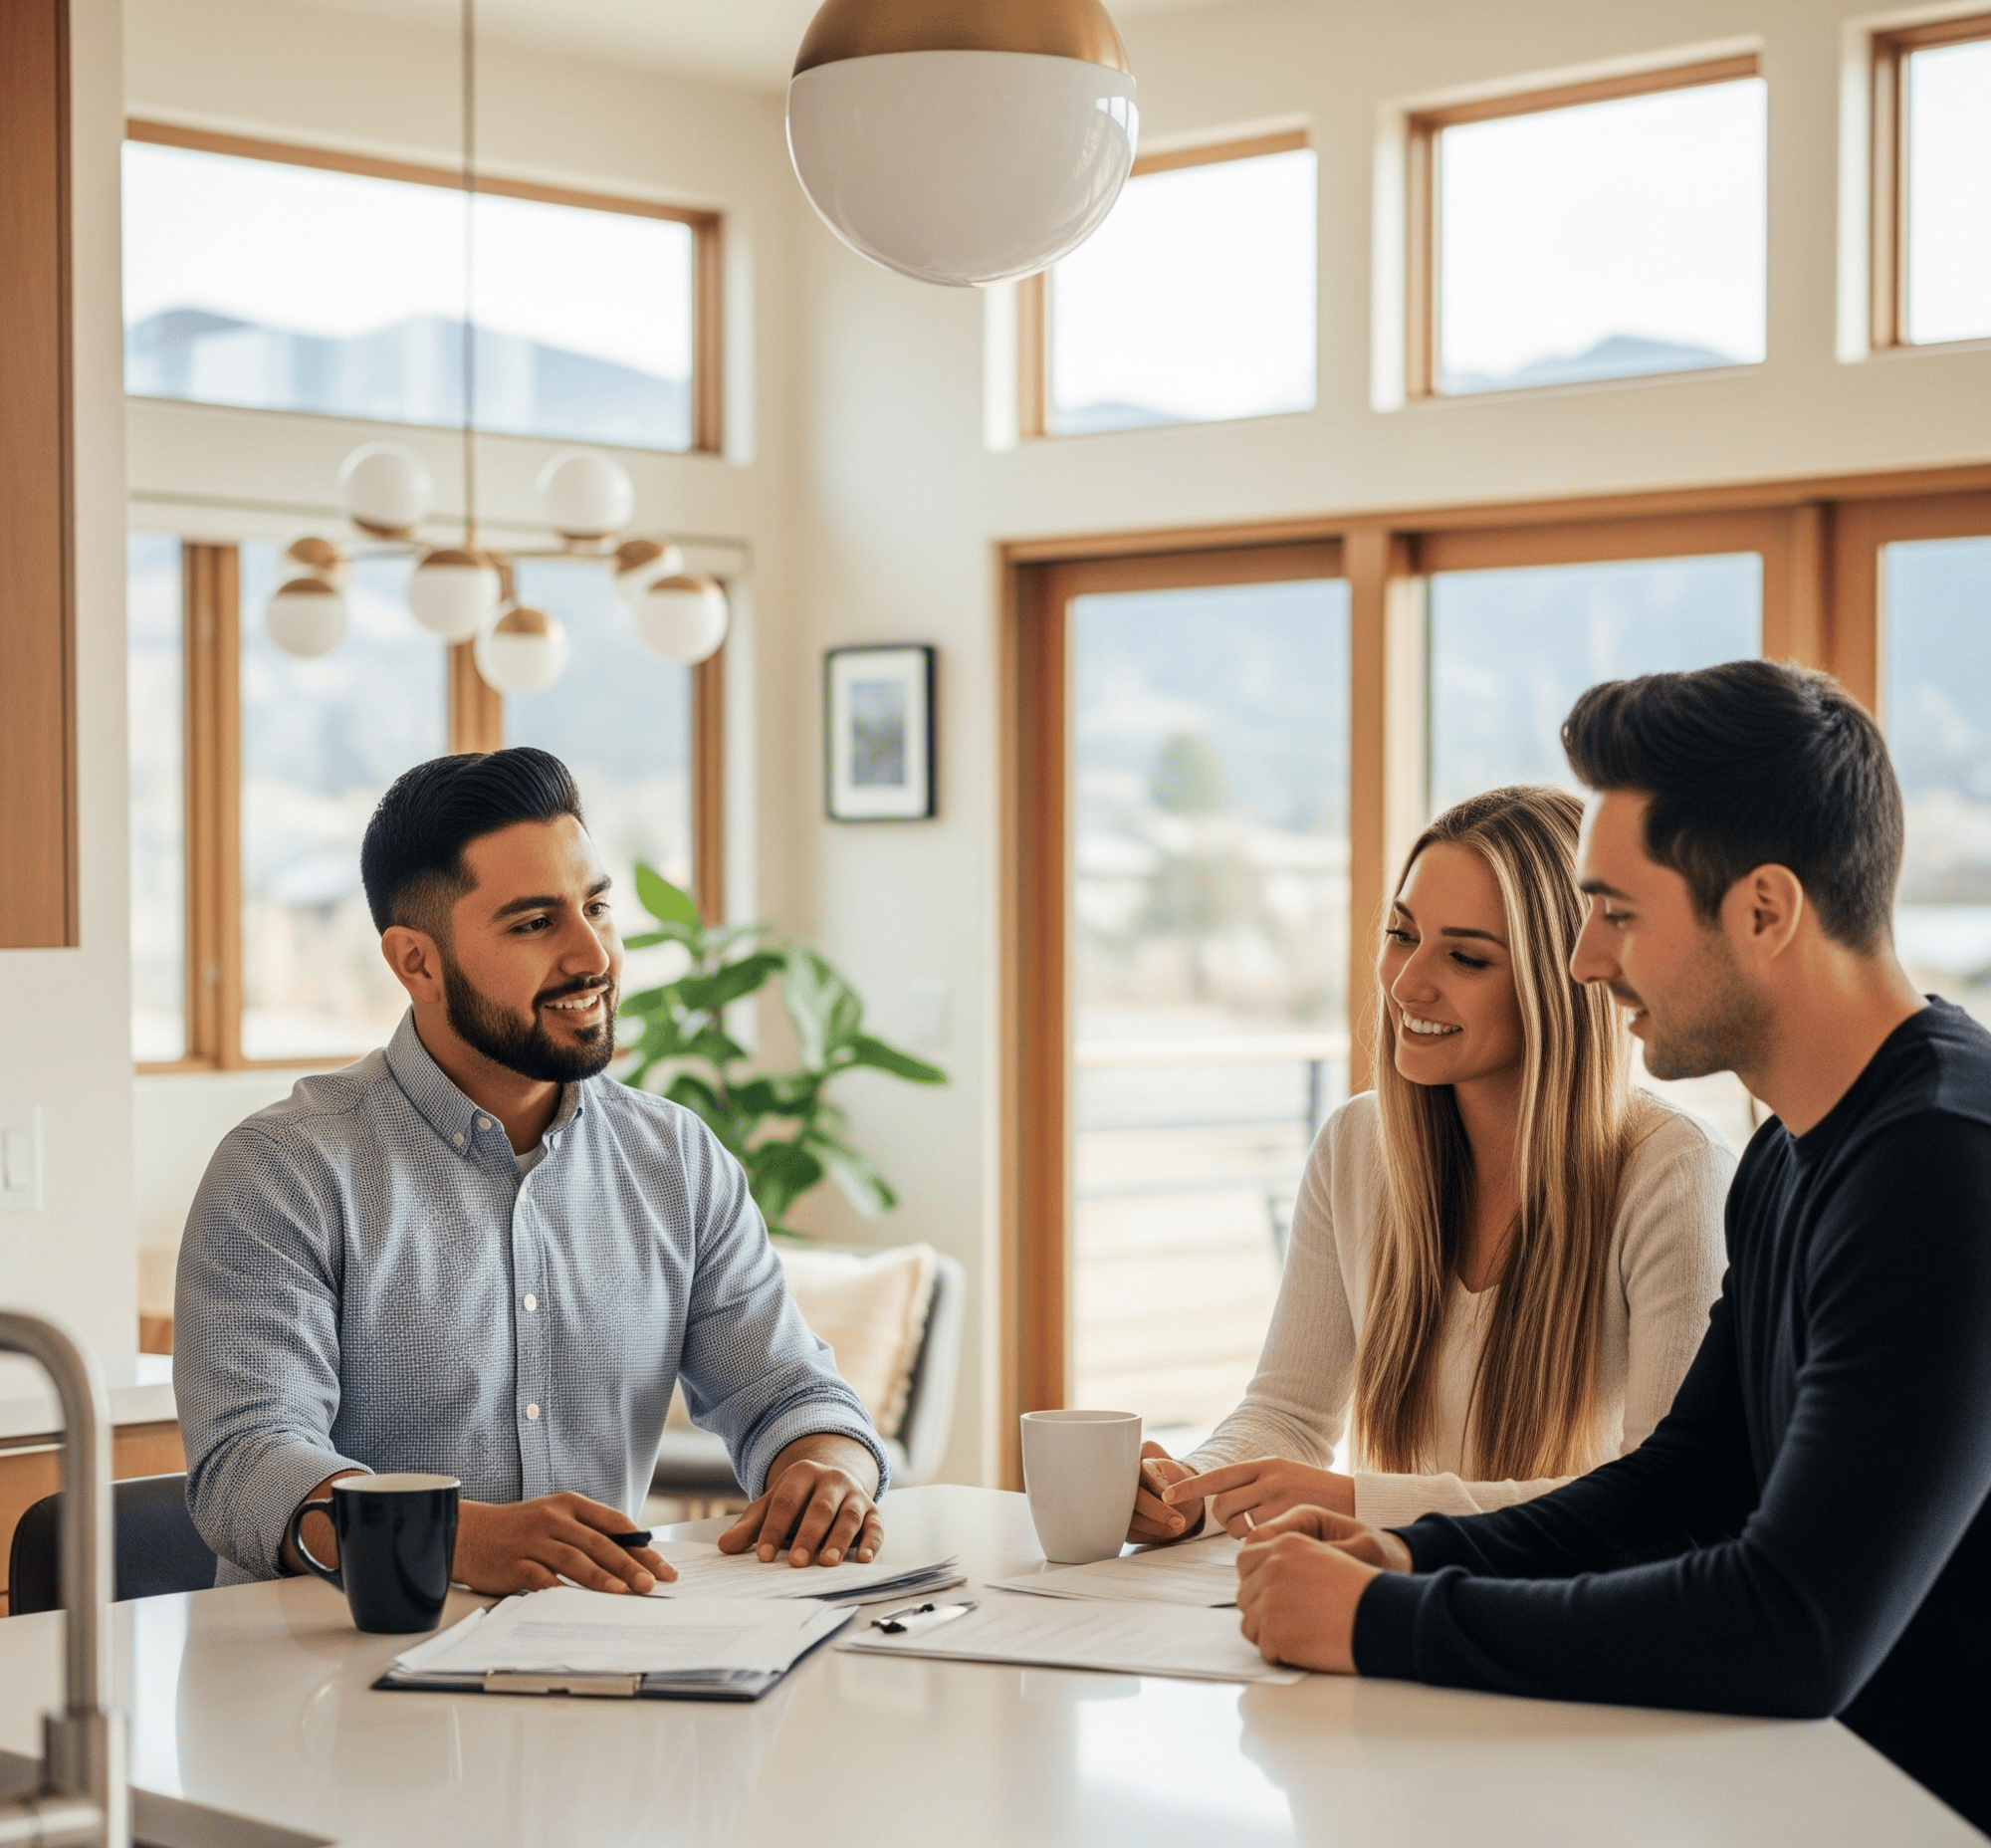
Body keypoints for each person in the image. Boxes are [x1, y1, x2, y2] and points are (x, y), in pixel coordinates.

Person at [1233, 661, 1991, 1831]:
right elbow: (1684, 1478)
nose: (1586, 959)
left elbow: (1792, 1625)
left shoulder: (1941, 1166)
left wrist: (1378, 1622)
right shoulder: (1796, 1149)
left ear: (1763, 909)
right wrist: (1405, 1548)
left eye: (1618, 912)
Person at [176, 748, 888, 1594]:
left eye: (597, 906)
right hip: (325, 1692)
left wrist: (828, 1467)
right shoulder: (284, 1172)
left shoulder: (677, 1160)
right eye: (533, 923)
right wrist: (451, 1540)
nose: (593, 956)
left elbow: (791, 1394)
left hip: (594, 1673)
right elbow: (246, 1465)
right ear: (417, 963)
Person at [1131, 785, 1733, 1545]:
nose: (1408, 984)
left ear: (1562, 981)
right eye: (1402, 935)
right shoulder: (1357, 1145)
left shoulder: (1675, 1172)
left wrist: (1361, 1504)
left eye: (1467, 957)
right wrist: (1195, 1486)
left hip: (1563, 1625)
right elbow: (1286, 1414)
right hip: (1398, 1598)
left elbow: (1660, 1503)